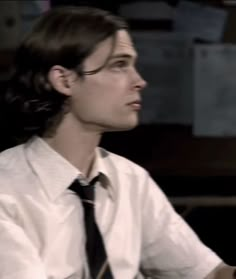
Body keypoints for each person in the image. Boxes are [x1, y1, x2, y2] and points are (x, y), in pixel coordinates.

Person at [0, 5, 235, 279]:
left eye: (133, 64)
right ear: (64, 80)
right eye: (119, 65)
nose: (139, 81)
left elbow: (208, 273)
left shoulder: (130, 180)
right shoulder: (7, 191)